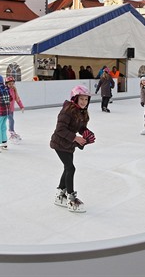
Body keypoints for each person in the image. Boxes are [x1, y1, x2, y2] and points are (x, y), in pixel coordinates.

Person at [50, 85, 96, 213]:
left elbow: (80, 127)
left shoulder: (82, 111)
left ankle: (60, 195)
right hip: (59, 143)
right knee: (70, 168)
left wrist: (86, 133)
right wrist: (76, 138)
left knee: (67, 167)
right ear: (75, 98)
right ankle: (71, 197)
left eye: (86, 99)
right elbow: (60, 129)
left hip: (68, 144)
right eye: (81, 99)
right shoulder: (67, 110)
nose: (84, 102)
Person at [6, 76, 25, 143]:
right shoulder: (5, 90)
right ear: (6, 84)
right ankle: (12, 132)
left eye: (12, 84)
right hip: (6, 109)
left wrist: (21, 106)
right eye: (9, 84)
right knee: (11, 120)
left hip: (11, 109)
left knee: (11, 120)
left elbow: (17, 99)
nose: (11, 85)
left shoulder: (14, 90)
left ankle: (12, 132)